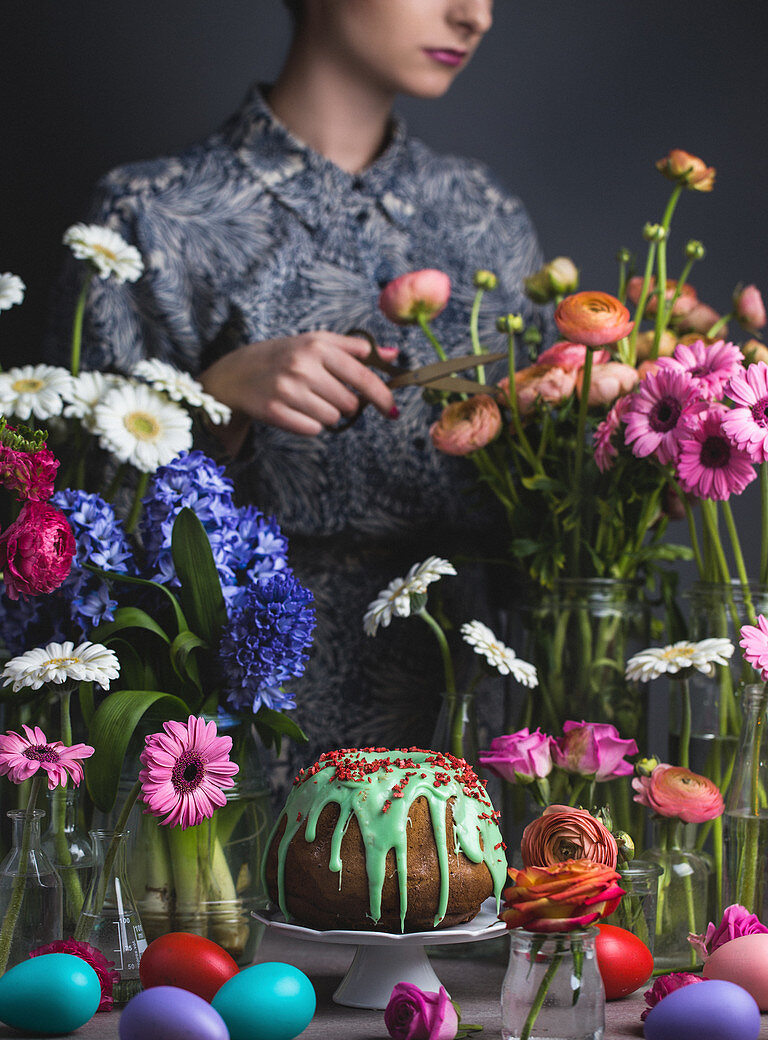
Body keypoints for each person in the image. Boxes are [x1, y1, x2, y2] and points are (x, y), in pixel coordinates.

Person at [48, 0, 553, 795]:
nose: (473, 16)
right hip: (231, 746)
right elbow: (68, 547)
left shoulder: (485, 218)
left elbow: (539, 512)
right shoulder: (156, 215)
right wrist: (216, 400)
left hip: (465, 739)